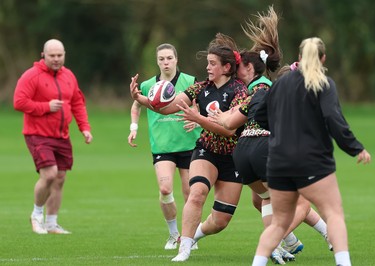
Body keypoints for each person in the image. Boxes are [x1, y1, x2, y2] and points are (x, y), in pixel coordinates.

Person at [209, 7, 330, 263]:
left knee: (262, 199)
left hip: (243, 152)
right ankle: (275, 243)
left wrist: (208, 117)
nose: (234, 69)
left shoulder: (256, 89)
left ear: (251, 69)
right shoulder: (263, 88)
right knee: (301, 203)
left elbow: (231, 121)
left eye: (238, 66)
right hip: (266, 147)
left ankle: (294, 241)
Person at [250, 37, 371, 266]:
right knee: (333, 214)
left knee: (278, 224)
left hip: (278, 163)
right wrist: (355, 148)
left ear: (299, 58)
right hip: (312, 162)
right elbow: (334, 120)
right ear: (323, 58)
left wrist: (280, 132)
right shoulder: (324, 84)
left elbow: (259, 115)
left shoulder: (280, 84)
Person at [130, 33, 248, 262]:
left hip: (233, 156)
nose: (207, 67)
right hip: (206, 150)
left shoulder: (240, 92)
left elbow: (229, 130)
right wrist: (140, 98)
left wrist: (198, 118)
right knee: (197, 193)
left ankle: (195, 235)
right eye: (207, 63)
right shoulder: (200, 88)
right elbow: (167, 108)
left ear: (226, 67)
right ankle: (183, 247)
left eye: (212, 63)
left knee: (220, 221)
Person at [13, 39, 93, 234]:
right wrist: (45, 107)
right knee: (49, 174)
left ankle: (51, 223)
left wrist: (84, 128)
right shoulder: (31, 76)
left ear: (64, 54)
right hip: (37, 134)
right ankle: (36, 215)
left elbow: (77, 103)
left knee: (59, 178)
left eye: (60, 55)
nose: (56, 59)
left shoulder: (69, 76)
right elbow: (19, 101)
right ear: (44, 55)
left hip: (61, 135)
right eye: (52, 56)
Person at [127, 43, 201, 250]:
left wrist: (197, 120)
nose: (166, 62)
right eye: (161, 59)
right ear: (157, 61)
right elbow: (136, 105)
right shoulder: (148, 85)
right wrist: (133, 127)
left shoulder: (190, 81)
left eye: (169, 58)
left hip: (189, 144)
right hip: (162, 146)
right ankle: (173, 234)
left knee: (190, 193)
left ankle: (189, 237)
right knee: (165, 188)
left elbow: (200, 106)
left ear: (176, 59)